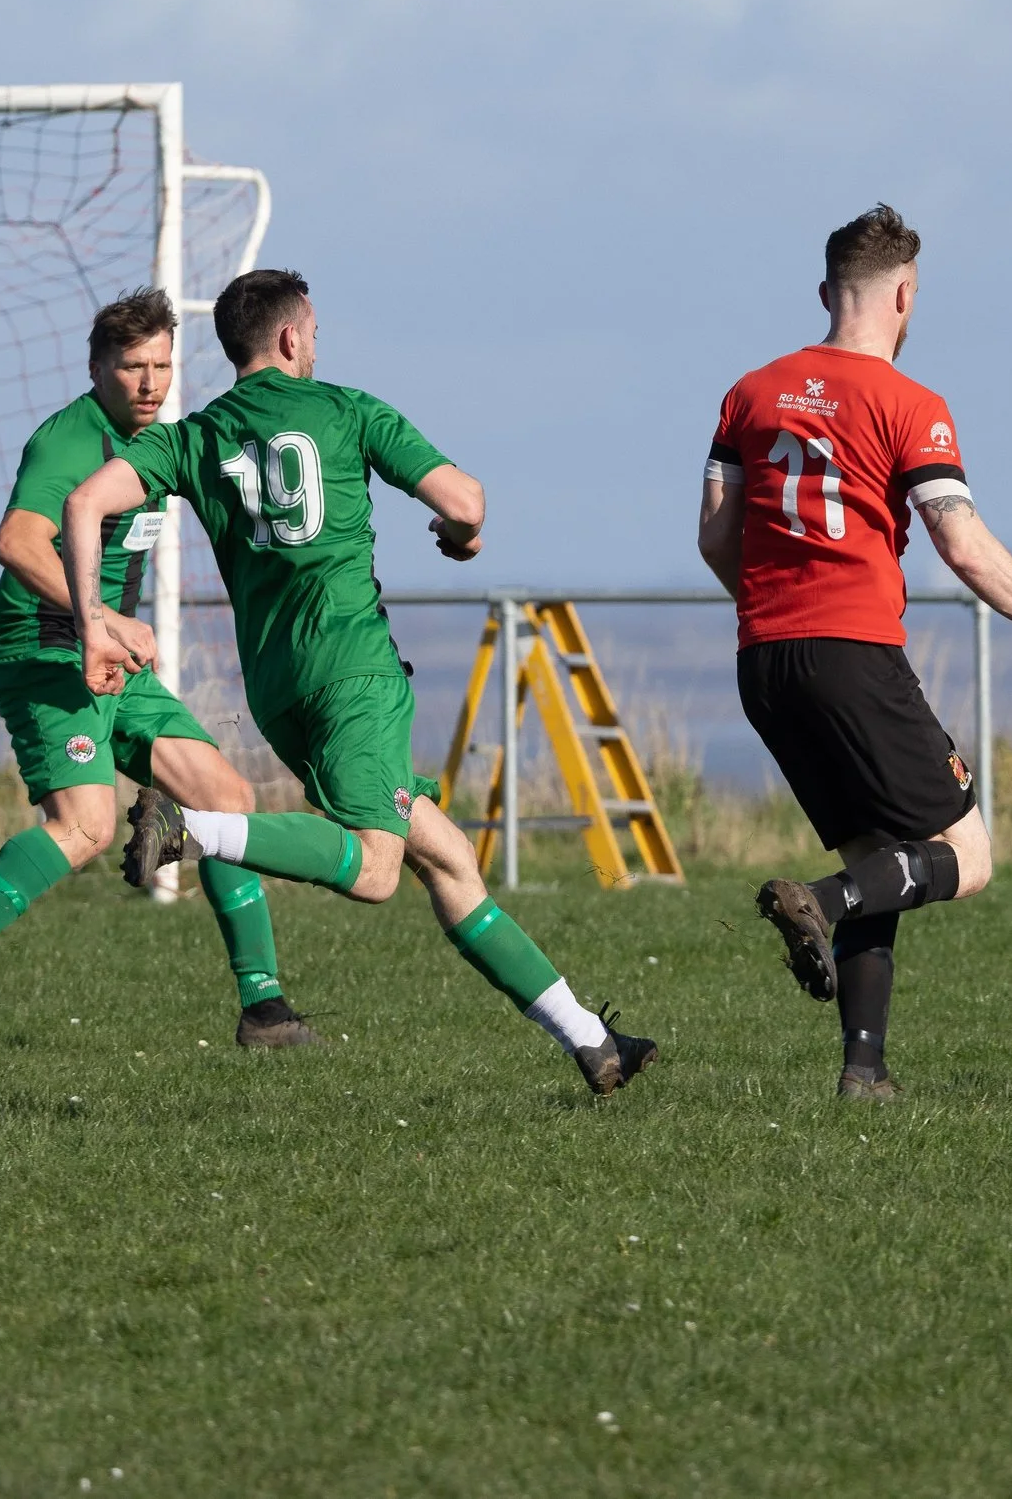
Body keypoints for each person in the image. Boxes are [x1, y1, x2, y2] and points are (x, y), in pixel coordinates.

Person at [57, 269, 658, 1096]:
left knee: (448, 861)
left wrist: (92, 612)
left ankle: (593, 1041)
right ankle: (196, 830)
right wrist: (459, 534)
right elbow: (467, 499)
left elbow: (86, 502)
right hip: (355, 674)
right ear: (294, 338)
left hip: (279, 693)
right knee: (377, 872)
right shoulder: (345, 410)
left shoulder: (192, 438)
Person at [698, 205, 1012, 1098]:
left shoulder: (749, 392)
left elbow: (716, 537)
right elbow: (964, 545)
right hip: (852, 656)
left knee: (881, 856)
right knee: (967, 858)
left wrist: (774, 609)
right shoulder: (910, 404)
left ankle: (863, 1072)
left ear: (828, 293)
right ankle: (817, 905)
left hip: (764, 662)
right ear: (905, 295)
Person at [0, 288, 313, 1058]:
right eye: (133, 367)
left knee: (226, 801)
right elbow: (15, 541)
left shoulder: (161, 439)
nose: (150, 383)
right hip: (43, 652)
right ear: (97, 368)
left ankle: (265, 1011)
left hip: (106, 655)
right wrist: (97, 620)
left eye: (163, 366)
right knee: (84, 828)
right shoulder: (69, 442)